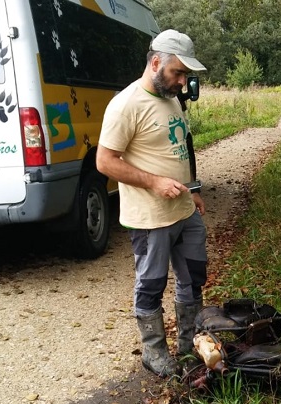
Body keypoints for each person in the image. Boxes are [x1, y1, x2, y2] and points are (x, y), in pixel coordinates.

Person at [96, 30, 207, 377]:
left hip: (185, 210)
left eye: (186, 75)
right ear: (156, 62)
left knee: (193, 277)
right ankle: (154, 352)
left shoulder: (172, 98)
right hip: (149, 218)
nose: (182, 81)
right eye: (178, 72)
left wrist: (194, 187)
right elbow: (105, 162)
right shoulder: (126, 104)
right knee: (152, 284)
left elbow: (182, 147)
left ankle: (190, 347)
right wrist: (154, 182)